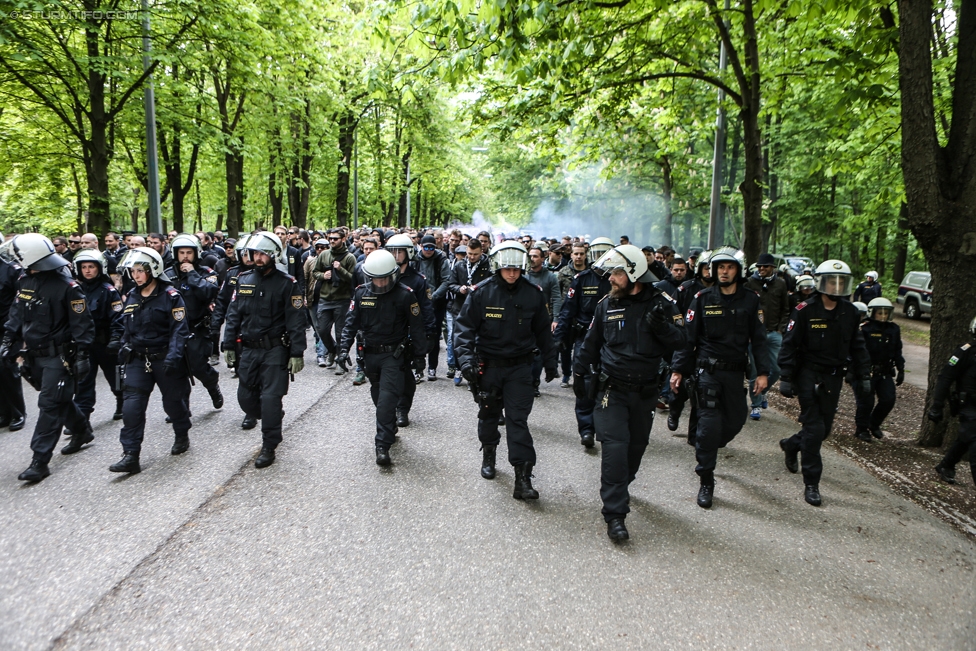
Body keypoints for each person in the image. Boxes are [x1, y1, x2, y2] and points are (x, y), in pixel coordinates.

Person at [576, 245, 685, 541]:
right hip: (612, 389)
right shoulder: (606, 304)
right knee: (614, 448)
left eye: (618, 272)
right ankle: (615, 515)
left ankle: (622, 486)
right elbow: (591, 342)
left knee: (635, 448)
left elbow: (682, 341)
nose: (611, 277)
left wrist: (662, 329)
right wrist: (578, 372)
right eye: (611, 272)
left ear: (635, 273)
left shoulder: (663, 304)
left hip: (646, 391)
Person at [454, 241, 557, 500]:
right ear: (498, 267)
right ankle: (489, 452)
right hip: (488, 367)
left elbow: (544, 332)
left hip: (520, 368)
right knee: (488, 415)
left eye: (516, 269)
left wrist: (550, 362)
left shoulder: (533, 293)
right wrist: (465, 361)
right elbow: (464, 329)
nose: (512, 274)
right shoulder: (481, 293)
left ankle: (522, 477)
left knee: (517, 421)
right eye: (507, 269)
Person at [670, 246, 769, 508]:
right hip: (707, 374)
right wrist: (678, 370)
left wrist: (763, 373)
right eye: (720, 267)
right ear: (713, 270)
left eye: (730, 267)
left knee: (736, 421)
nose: (724, 272)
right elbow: (687, 339)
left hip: (735, 374)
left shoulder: (750, 299)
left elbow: (759, 340)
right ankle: (706, 479)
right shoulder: (702, 298)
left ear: (738, 270)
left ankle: (707, 442)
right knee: (709, 426)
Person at [777, 260, 871, 506]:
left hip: (834, 377)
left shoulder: (850, 312)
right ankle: (812, 483)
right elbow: (789, 343)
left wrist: (864, 374)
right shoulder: (805, 309)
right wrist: (786, 377)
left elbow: (857, 346)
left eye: (841, 281)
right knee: (815, 428)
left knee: (822, 430)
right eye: (831, 280)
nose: (836, 285)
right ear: (821, 282)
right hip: (808, 374)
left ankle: (791, 444)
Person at [2, 234, 95, 481]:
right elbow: (17, 314)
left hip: (60, 355)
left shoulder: (67, 286)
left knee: (50, 404)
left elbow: (82, 324)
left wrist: (83, 354)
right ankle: (81, 430)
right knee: (58, 399)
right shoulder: (25, 279)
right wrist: (8, 341)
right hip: (34, 354)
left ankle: (39, 461)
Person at [222, 232, 306, 468]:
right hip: (248, 349)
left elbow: (295, 320)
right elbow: (233, 315)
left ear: (274, 255)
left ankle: (269, 445)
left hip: (275, 350)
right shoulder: (244, 280)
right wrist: (228, 344)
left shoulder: (287, 284)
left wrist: (297, 352)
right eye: (254, 253)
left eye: (262, 254)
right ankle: (272, 415)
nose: (257, 258)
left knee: (270, 399)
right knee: (246, 399)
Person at [107, 247, 193, 474]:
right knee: (132, 407)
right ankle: (130, 455)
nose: (135, 275)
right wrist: (123, 347)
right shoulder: (133, 295)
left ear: (152, 270)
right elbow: (127, 327)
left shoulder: (171, 296)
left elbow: (179, 330)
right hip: (137, 359)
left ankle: (182, 432)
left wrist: (174, 357)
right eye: (132, 271)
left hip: (164, 358)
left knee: (173, 402)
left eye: (139, 271)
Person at [336, 250, 426, 465]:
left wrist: (420, 356)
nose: (381, 283)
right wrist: (342, 350)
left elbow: (417, 327)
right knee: (378, 397)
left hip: (393, 355)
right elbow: (350, 324)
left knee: (386, 399)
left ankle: (382, 445)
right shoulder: (360, 294)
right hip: (369, 355)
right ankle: (389, 425)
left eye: (384, 278)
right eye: (376, 278)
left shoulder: (405, 294)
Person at [552, 237, 614, 447]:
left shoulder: (619, 280)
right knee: (586, 382)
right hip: (585, 339)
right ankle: (586, 429)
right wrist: (558, 338)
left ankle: (607, 428)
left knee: (610, 383)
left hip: (612, 340)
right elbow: (568, 310)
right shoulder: (581, 279)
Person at [385, 234, 436, 425]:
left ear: (408, 253)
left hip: (408, 335)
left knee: (406, 375)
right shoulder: (382, 276)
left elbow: (427, 308)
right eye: (392, 251)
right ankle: (387, 409)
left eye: (399, 251)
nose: (396, 255)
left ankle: (402, 409)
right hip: (386, 334)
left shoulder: (418, 280)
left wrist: (429, 335)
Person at [170, 233, 223, 410]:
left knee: (198, 366)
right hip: (174, 330)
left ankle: (212, 385)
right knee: (177, 370)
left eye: (189, 253)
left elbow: (209, 292)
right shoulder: (167, 275)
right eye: (181, 253)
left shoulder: (206, 273)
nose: (185, 257)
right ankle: (182, 407)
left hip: (198, 328)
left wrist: (192, 274)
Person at [71, 249, 124, 424]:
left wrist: (116, 339)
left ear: (99, 268)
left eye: (91, 267)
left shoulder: (108, 290)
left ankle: (122, 401)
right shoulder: (74, 290)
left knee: (115, 376)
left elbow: (118, 317)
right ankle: (81, 420)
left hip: (106, 342)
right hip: (85, 344)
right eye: (84, 267)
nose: (87, 270)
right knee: (83, 382)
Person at [928, 316, 976, 487]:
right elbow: (945, 378)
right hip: (969, 405)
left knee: (966, 437)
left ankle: (946, 465)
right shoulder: (965, 352)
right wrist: (937, 406)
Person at [744, 252, 791, 421]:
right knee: (755, 372)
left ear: (772, 268)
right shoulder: (750, 283)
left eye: (765, 266)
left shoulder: (781, 284)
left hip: (774, 333)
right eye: (760, 266)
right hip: (755, 335)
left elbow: (786, 308)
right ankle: (756, 405)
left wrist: (781, 328)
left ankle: (763, 391)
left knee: (777, 369)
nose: (762, 269)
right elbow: (745, 309)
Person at [854, 297, 904, 441]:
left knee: (888, 399)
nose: (883, 316)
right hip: (865, 371)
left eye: (885, 313)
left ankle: (874, 423)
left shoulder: (893, 329)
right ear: (872, 313)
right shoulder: (864, 329)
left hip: (884, 371)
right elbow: (857, 351)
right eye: (879, 313)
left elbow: (897, 350)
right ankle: (861, 429)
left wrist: (901, 369)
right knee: (866, 402)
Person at [447, 239, 492, 385]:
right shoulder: (459, 265)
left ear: (481, 252)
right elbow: (450, 284)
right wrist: (459, 289)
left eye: (475, 254)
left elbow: (492, 286)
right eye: (469, 254)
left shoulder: (487, 266)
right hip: (459, 307)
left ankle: (476, 370)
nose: (472, 257)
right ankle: (460, 367)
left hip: (479, 309)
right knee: (458, 340)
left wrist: (477, 289)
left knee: (477, 341)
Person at [311, 228, 356, 369]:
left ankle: (341, 362)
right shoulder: (324, 255)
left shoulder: (350, 258)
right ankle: (332, 350)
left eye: (335, 239)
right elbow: (315, 272)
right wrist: (323, 276)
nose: (332, 241)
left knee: (340, 332)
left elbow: (353, 279)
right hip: (325, 299)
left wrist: (340, 270)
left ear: (343, 239)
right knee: (322, 329)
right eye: (330, 238)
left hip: (342, 299)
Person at [412, 235, 451, 380]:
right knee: (416, 335)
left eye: (432, 247)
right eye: (426, 247)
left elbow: (447, 280)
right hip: (417, 302)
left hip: (436, 303)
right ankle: (418, 367)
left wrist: (433, 296)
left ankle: (432, 367)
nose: (428, 250)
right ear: (421, 246)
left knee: (433, 335)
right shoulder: (414, 260)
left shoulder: (441, 260)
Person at [526, 245, 562, 397]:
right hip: (525, 321)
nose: (532, 259)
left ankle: (535, 382)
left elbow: (556, 298)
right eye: (530, 256)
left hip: (542, 321)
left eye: (535, 256)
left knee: (539, 354)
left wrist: (555, 318)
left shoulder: (550, 277)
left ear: (542, 258)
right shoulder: (524, 276)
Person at [0, 235, 26, 431]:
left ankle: (18, 412)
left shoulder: (11, 270)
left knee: (8, 368)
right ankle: (4, 413)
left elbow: (21, 302)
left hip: (8, 328)